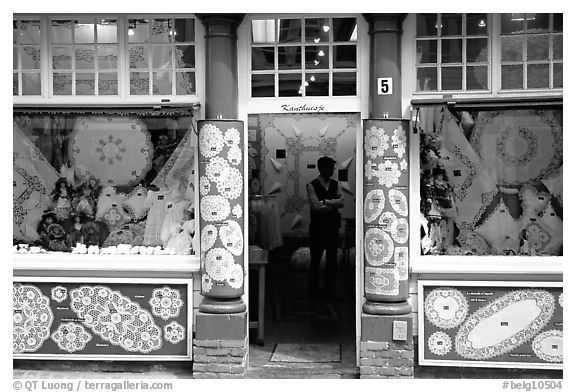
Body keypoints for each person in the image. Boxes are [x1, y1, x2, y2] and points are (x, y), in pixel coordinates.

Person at [306, 156, 344, 299]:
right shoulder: (311, 185)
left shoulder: (336, 184)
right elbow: (315, 206)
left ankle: (330, 290)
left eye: (332, 168)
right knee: (315, 259)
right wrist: (333, 204)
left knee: (332, 260)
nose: (332, 171)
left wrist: (326, 202)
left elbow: (343, 202)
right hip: (317, 228)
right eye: (330, 168)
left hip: (333, 227)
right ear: (321, 168)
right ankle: (313, 290)